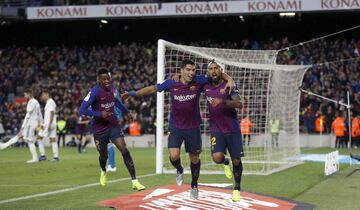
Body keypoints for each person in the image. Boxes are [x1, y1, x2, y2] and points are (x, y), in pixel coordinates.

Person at [122, 59, 235, 199]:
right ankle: (179, 169)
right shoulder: (172, 82)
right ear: (181, 70)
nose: (191, 72)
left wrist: (229, 79)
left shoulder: (199, 81)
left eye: (193, 70)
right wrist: (133, 93)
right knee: (174, 156)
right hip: (176, 126)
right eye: (188, 69)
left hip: (193, 127)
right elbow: (152, 88)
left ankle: (194, 185)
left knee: (194, 158)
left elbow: (216, 74)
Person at [79, 67, 145, 190]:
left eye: (108, 78)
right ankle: (103, 170)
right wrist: (99, 114)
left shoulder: (112, 89)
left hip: (113, 125)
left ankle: (135, 181)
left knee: (124, 149)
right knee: (103, 156)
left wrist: (127, 112)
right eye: (104, 79)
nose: (107, 81)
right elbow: (81, 110)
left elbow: (116, 102)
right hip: (99, 129)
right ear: (99, 79)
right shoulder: (94, 92)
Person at [203, 60, 244, 202]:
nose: (213, 71)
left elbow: (239, 104)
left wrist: (223, 101)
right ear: (208, 71)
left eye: (216, 68)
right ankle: (225, 163)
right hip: (216, 130)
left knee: (237, 161)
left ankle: (237, 189)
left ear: (221, 70)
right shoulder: (205, 85)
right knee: (217, 158)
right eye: (211, 69)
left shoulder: (229, 85)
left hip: (232, 129)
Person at [0, 89, 43, 163]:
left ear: (29, 94)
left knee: (29, 141)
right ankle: (4, 146)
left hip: (30, 124)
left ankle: (35, 158)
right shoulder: (36, 102)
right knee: (22, 137)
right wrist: (41, 123)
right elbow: (40, 114)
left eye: (25, 94)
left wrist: (23, 126)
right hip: (34, 123)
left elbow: (28, 115)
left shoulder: (31, 102)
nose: (24, 96)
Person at [37, 89, 59, 161]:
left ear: (47, 94)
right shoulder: (51, 102)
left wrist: (48, 124)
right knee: (53, 139)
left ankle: (42, 155)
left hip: (49, 124)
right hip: (52, 123)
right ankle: (56, 156)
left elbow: (52, 113)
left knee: (39, 138)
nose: (42, 96)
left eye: (43, 95)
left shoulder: (50, 102)